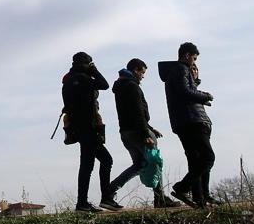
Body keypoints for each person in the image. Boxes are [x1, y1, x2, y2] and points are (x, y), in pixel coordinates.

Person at [108, 59, 177, 208]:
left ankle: (111, 189)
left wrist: (150, 128)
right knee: (155, 161)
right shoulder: (132, 86)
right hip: (139, 132)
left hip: (126, 132)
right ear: (136, 70)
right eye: (142, 72)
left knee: (139, 164)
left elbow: (130, 113)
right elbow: (137, 112)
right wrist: (146, 133)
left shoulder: (121, 87)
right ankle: (160, 198)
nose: (143, 76)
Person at [158, 43, 216, 208]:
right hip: (192, 120)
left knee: (195, 160)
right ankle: (183, 187)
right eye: (194, 58)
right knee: (207, 157)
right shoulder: (181, 69)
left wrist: (195, 82)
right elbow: (185, 92)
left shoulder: (174, 72)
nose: (194, 62)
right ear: (187, 55)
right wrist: (205, 96)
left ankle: (200, 198)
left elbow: (185, 92)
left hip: (182, 121)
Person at [63, 52, 119, 212]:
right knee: (105, 160)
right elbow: (104, 84)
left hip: (78, 128)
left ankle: (83, 203)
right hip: (88, 127)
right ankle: (103, 200)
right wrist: (94, 71)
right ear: (87, 64)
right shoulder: (83, 78)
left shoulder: (68, 80)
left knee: (87, 165)